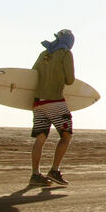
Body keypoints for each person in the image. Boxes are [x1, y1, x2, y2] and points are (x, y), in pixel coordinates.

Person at [29, 29, 76, 186]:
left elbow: (32, 74)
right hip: (54, 101)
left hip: (38, 102)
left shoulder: (44, 54)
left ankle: (35, 175)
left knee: (40, 138)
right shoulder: (65, 54)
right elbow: (70, 80)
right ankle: (54, 171)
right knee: (66, 135)